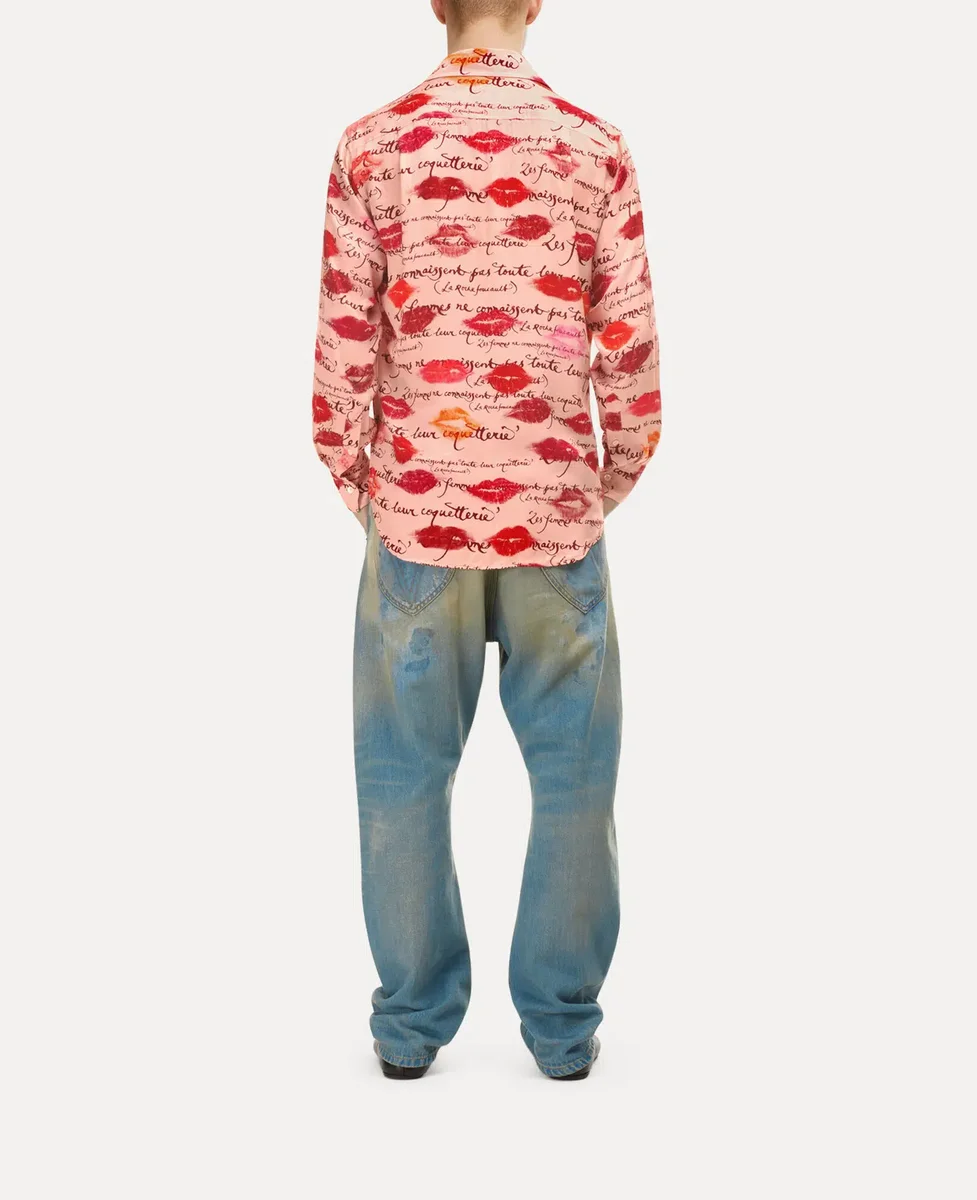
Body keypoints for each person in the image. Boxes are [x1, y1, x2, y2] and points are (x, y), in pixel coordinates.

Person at [311, 0, 661, 1080]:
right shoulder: (594, 150)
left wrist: (381, 499)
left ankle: (409, 1028)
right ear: (535, 2)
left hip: (417, 521)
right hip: (556, 521)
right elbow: (631, 365)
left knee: (401, 777)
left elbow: (339, 364)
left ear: (434, 3)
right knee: (575, 780)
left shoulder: (371, 147)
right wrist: (586, 489)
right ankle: (561, 1029)